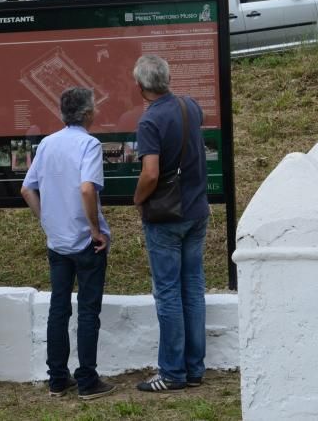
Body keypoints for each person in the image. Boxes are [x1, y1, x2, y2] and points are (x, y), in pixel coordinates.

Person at [21, 87, 115, 401]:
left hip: (57, 240)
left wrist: (46, 220)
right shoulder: (90, 144)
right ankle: (87, 380)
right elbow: (88, 189)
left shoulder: (47, 143)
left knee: (58, 309)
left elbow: (27, 189)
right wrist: (94, 229)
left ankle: (57, 379)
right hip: (87, 243)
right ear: (88, 114)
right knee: (88, 311)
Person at [130, 54, 208, 393]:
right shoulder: (190, 106)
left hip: (165, 216)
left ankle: (172, 372)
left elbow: (150, 173)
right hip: (196, 211)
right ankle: (194, 369)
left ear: (140, 87)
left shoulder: (149, 122)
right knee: (192, 287)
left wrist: (137, 199)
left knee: (168, 292)